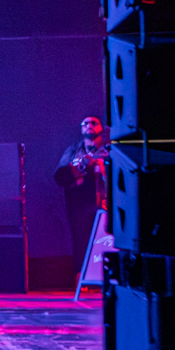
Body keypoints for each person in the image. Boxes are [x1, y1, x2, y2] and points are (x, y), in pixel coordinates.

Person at [55, 115, 110, 272]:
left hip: (105, 204)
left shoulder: (108, 149)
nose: (89, 126)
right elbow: (59, 176)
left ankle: (106, 275)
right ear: (81, 128)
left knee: (105, 239)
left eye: (94, 123)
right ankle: (83, 276)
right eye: (85, 123)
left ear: (101, 127)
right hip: (80, 206)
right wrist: (80, 169)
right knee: (81, 241)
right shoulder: (73, 151)